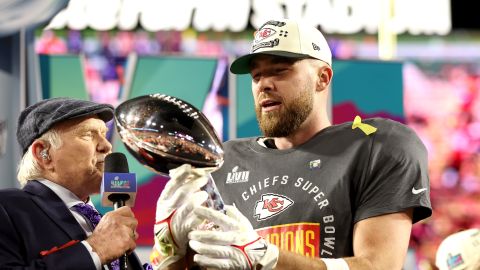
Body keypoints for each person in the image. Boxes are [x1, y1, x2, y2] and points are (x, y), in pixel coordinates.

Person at [151, 18, 432, 270]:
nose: (264, 84)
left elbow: (377, 266)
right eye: (257, 76)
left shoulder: (376, 147)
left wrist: (268, 258)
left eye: (280, 71)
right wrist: (170, 252)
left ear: (322, 78)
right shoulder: (220, 163)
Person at [0, 97, 145, 269]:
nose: (107, 145)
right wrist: (96, 250)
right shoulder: (7, 208)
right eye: (87, 135)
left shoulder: (100, 221)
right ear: (43, 153)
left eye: (104, 134)